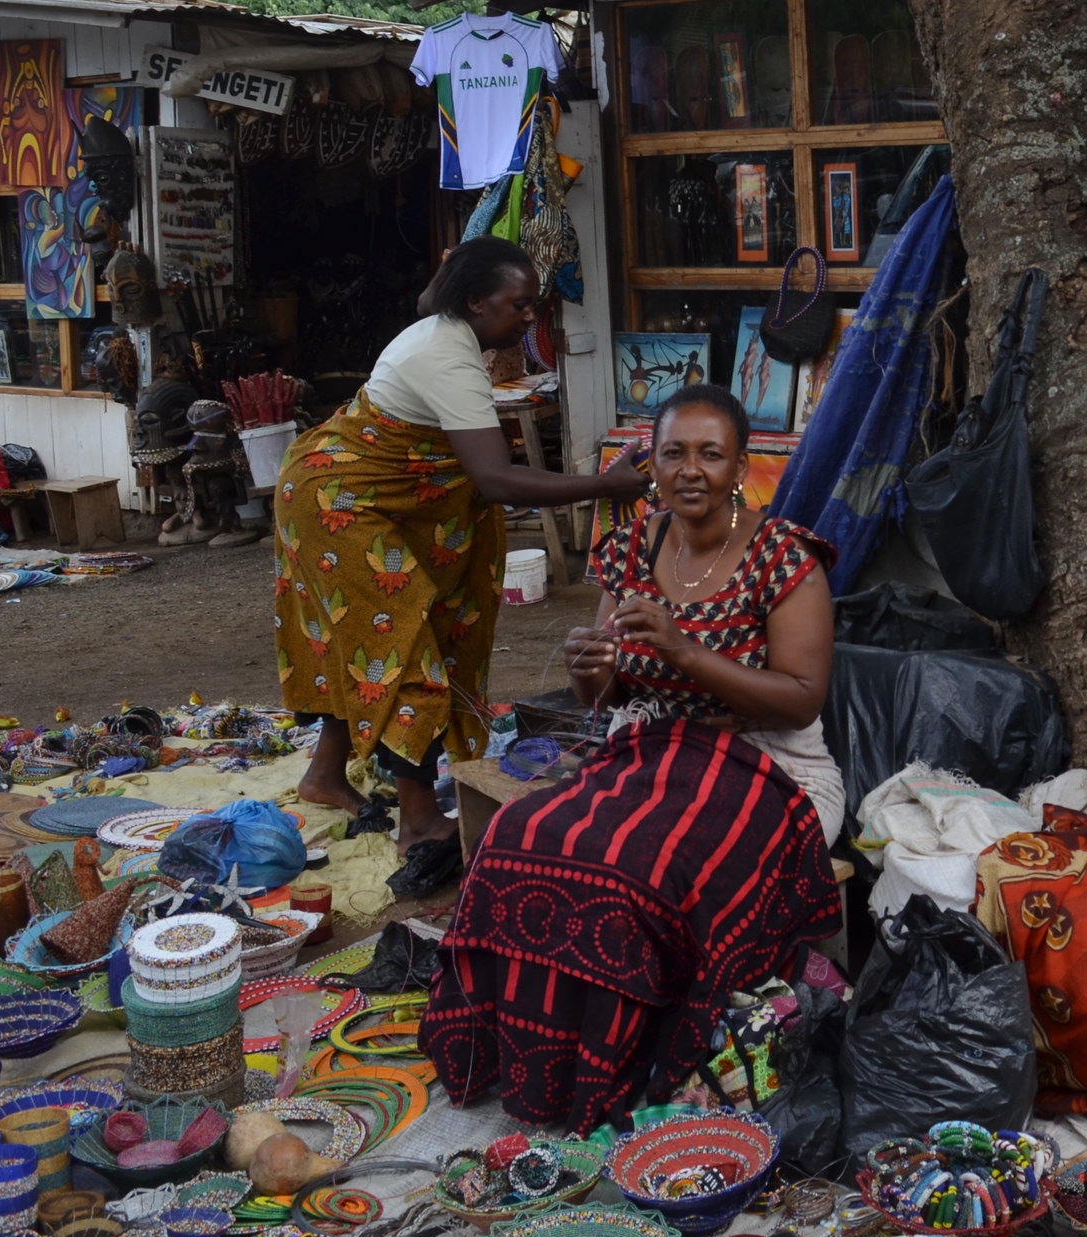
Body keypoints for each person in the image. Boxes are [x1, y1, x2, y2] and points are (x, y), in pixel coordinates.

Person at [419, 383, 842, 1130]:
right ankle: (525, 1057)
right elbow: (605, 694)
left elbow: (801, 697)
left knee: (639, 870)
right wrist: (592, 667)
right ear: (649, 463)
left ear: (740, 466)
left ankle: (618, 1070)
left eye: (710, 454)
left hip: (769, 764)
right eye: (672, 452)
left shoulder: (786, 558)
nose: (690, 470)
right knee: (517, 840)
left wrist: (683, 648)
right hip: (650, 751)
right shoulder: (633, 546)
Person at [276, 237, 648, 887]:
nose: (529, 319)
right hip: (335, 503)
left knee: (372, 638)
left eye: (534, 305)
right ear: (474, 303)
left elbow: (434, 289)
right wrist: (606, 486)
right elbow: (496, 480)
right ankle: (419, 820)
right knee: (402, 646)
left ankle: (325, 775)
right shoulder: (448, 360)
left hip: (371, 493)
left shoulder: (443, 317)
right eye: (518, 306)